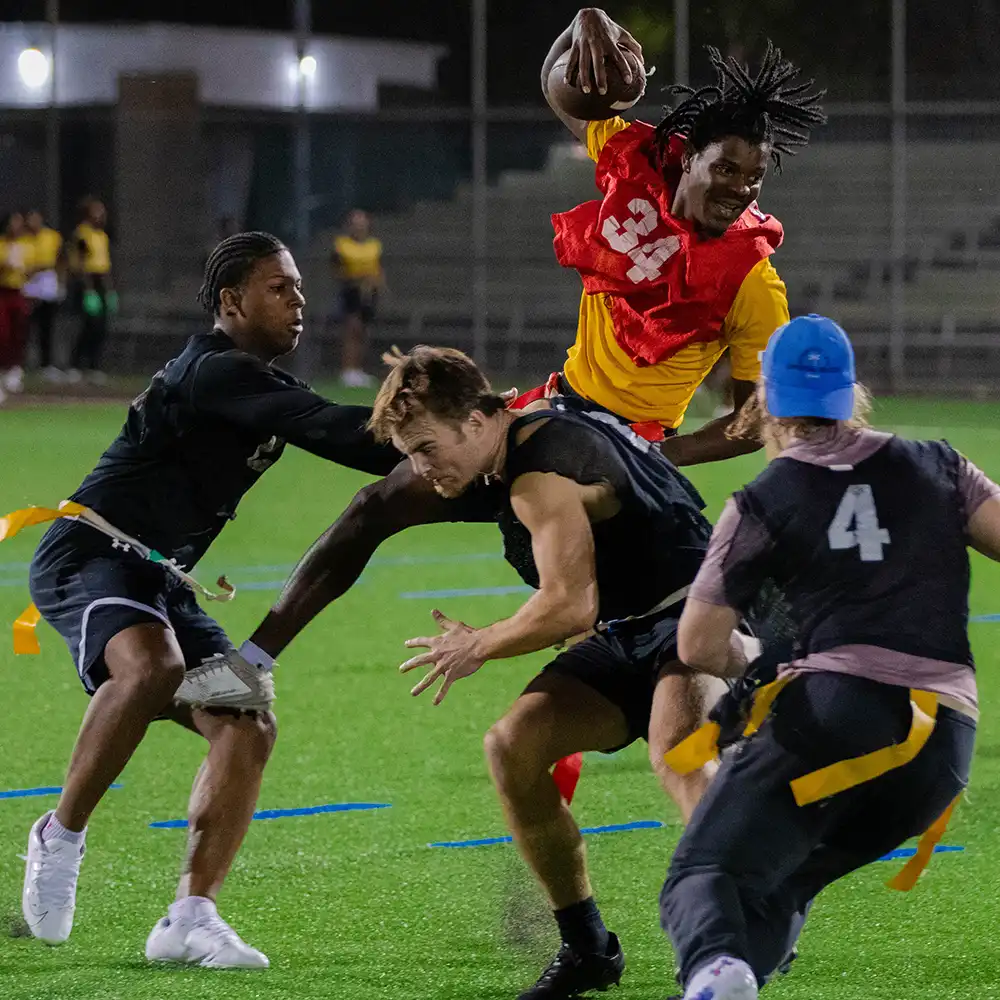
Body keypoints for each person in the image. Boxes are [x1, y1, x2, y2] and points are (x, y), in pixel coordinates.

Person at [233, 15, 827, 678]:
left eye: (755, 177)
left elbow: (755, 420)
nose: (740, 188)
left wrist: (662, 451)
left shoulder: (751, 279)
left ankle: (779, 656)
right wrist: (585, 24)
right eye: (727, 167)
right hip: (558, 408)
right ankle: (250, 665)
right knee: (379, 504)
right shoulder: (635, 159)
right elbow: (561, 91)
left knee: (600, 619)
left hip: (623, 449)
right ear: (688, 154)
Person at [18, 232, 400, 966]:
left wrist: (470, 427)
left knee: (248, 722)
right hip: (91, 552)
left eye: (297, 287)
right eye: (279, 288)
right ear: (231, 302)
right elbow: (342, 433)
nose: (299, 300)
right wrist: (446, 418)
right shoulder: (217, 370)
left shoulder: (249, 377)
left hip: (156, 578)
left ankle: (190, 918)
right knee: (153, 665)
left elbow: (354, 437)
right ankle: (58, 837)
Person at [368, 345, 737, 1000]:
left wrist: (478, 643)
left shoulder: (536, 475)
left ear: (477, 423)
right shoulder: (529, 436)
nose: (421, 469)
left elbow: (568, 604)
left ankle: (740, 929)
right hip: (630, 628)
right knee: (514, 746)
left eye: (425, 448)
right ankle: (588, 948)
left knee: (678, 755)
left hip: (700, 614)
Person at [658, 314, 996, 1000]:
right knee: (777, 887)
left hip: (837, 717)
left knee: (705, 878)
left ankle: (717, 974)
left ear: (766, 405)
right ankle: (729, 977)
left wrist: (757, 656)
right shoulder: (940, 463)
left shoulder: (763, 498)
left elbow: (695, 644)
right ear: (852, 394)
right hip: (943, 748)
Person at [332, 208, 385, 388]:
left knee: (363, 331)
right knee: (352, 330)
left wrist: (377, 283)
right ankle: (347, 370)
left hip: (369, 293)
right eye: (355, 222)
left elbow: (378, 269)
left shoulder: (374, 245)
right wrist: (356, 278)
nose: (359, 226)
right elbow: (336, 270)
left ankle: (358, 370)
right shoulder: (342, 244)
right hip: (351, 291)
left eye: (362, 222)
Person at [68, 196, 116, 384]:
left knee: (102, 325)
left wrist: (110, 290)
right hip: (87, 282)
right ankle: (77, 364)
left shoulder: (102, 236)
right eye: (97, 211)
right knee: (88, 324)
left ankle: (94, 365)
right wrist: (88, 291)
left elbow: (105, 265)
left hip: (101, 281)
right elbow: (80, 263)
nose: (101, 215)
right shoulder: (82, 234)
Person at [23, 209, 66, 382]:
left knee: (47, 325)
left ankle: (46, 363)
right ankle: (20, 363)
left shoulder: (52, 237)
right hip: (28, 282)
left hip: (47, 281)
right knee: (25, 325)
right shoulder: (23, 238)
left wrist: (61, 283)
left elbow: (61, 259)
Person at [0, 210, 34, 398]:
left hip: (18, 291)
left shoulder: (26, 246)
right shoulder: (1, 245)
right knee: (2, 332)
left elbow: (31, 269)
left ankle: (13, 369)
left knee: (18, 330)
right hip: (2, 291)